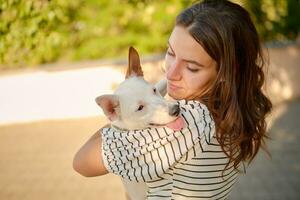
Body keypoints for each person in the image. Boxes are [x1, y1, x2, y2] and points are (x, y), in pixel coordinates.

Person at [73, 0, 272, 199]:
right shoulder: (232, 106)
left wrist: (122, 115)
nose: (171, 73)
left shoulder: (189, 122)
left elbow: (82, 162)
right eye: (170, 53)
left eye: (192, 67)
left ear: (227, 70)